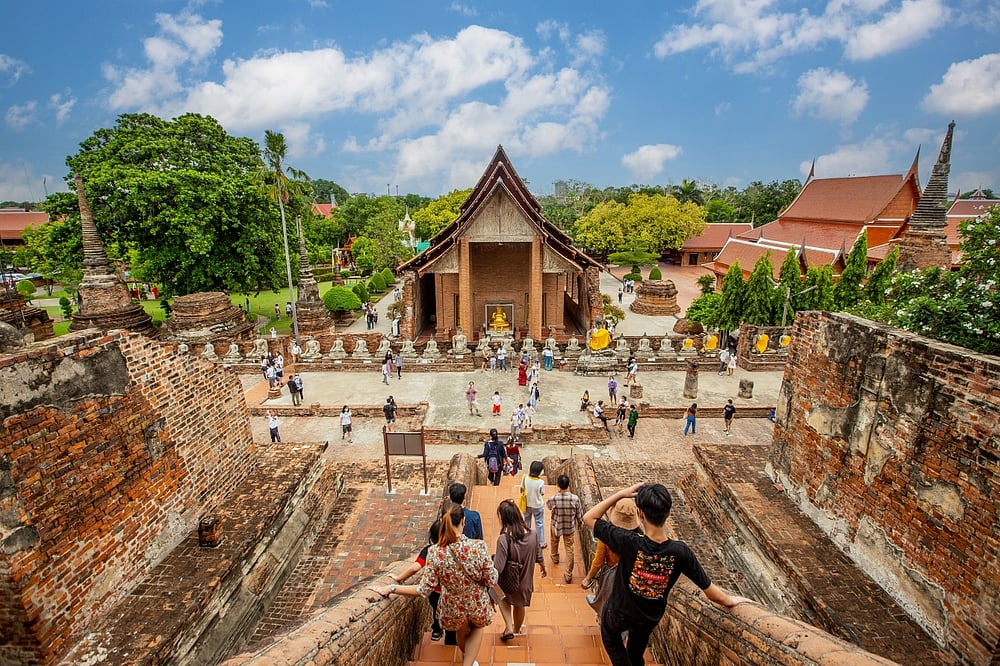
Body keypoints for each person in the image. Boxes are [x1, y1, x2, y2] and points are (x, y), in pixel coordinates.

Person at [583, 483, 751, 665]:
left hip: (619, 612)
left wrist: (621, 494)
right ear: (668, 514)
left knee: (611, 638)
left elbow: (589, 517)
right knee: (636, 651)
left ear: (640, 514)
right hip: (647, 618)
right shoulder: (680, 552)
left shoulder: (629, 542)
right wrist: (731, 601)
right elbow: (708, 589)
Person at [371, 504, 496, 666]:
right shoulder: (478, 547)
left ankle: (469, 661)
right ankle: (468, 663)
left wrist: (392, 587)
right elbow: (492, 579)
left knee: (460, 630)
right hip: (476, 602)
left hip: (453, 607)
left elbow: (423, 589)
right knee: (478, 627)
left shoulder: (435, 553)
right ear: (463, 522)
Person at [493, 499, 547, 641]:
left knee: (497, 594)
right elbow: (538, 554)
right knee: (519, 605)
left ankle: (509, 627)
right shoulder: (533, 534)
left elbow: (497, 568)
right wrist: (543, 566)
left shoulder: (504, 540)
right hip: (525, 583)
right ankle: (516, 631)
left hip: (507, 583)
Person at [386, 520, 447, 641]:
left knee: (436, 609)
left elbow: (416, 567)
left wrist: (399, 578)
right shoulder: (451, 549)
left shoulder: (429, 550)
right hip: (450, 591)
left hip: (435, 591)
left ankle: (437, 629)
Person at [580, 498, 643, 590]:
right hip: (630, 578)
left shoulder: (607, 537)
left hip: (613, 575)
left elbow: (598, 562)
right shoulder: (639, 539)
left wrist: (588, 578)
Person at [546, 474, 584, 583]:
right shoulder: (575, 499)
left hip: (556, 525)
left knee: (554, 542)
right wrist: (580, 524)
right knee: (569, 549)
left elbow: (548, 506)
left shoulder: (554, 498)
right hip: (569, 527)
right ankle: (568, 573)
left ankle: (555, 557)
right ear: (568, 485)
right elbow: (579, 514)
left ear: (558, 485)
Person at [522, 461, 546, 548]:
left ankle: (526, 540)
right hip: (537, 505)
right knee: (539, 524)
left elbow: (522, 489)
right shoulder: (540, 482)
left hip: (527, 504)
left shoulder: (525, 478)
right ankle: (540, 542)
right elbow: (542, 493)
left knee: (526, 522)